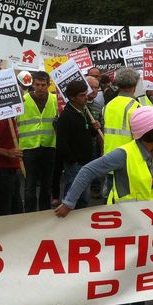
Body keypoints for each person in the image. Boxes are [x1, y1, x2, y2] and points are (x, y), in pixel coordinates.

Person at [55, 106, 153, 305]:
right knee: (126, 270)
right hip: (124, 223)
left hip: (148, 221)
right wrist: (69, 202)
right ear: (151, 132)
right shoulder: (123, 154)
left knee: (144, 267)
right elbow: (88, 171)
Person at [17, 71, 58, 212]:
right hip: (28, 147)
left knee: (47, 185)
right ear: (32, 84)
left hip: (49, 146)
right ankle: (29, 213)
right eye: (37, 85)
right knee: (29, 186)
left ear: (48, 85)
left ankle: (45, 212)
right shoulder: (23, 100)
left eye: (43, 85)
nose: (40, 88)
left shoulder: (55, 100)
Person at [56, 81, 100, 209]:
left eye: (86, 94)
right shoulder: (66, 116)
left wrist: (94, 128)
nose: (86, 97)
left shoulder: (83, 111)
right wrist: (73, 161)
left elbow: (86, 134)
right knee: (73, 195)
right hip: (75, 164)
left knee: (83, 196)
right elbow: (62, 143)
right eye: (82, 95)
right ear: (72, 97)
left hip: (86, 161)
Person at [85, 75, 105, 199]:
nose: (93, 90)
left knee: (95, 166)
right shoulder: (78, 104)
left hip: (94, 144)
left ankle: (95, 188)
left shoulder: (98, 106)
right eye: (90, 87)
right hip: (81, 144)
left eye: (96, 88)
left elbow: (101, 127)